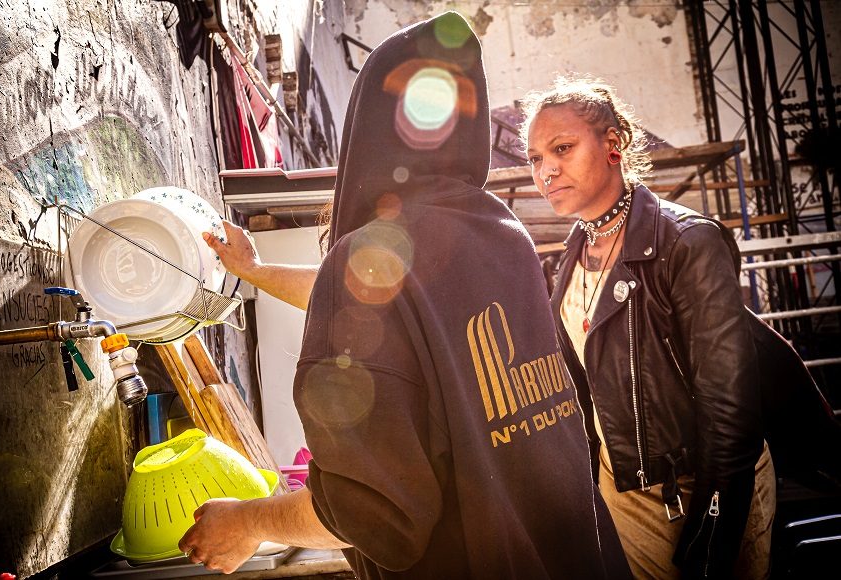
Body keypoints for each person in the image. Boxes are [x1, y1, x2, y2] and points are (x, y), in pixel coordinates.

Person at [179, 13, 631, 578]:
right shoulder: (502, 234)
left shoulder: (374, 257)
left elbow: (377, 512)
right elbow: (385, 300)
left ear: (368, 128)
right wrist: (257, 269)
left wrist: (249, 522)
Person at [521, 76, 835, 579]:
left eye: (561, 148)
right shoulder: (570, 258)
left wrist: (716, 518)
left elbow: (729, 406)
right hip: (624, 490)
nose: (546, 170)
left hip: (710, 483)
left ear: (613, 146)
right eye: (536, 157)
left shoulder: (687, 242)